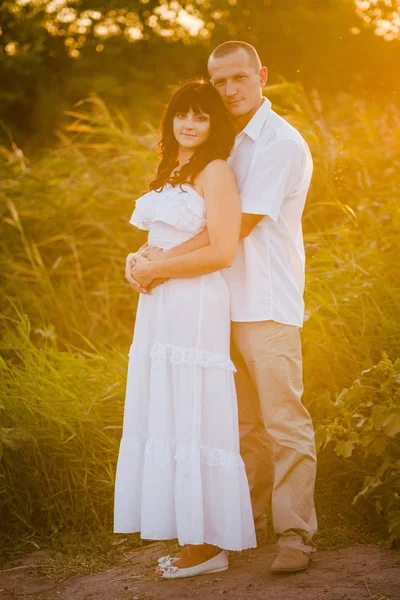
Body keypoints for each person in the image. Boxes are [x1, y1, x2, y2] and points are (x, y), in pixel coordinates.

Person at [128, 41, 318, 574]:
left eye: (239, 78)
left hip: (264, 299)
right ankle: (247, 520)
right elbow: (189, 221)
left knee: (283, 420)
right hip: (211, 302)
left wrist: (157, 264)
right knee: (238, 425)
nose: (230, 90)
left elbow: (233, 229)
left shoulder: (280, 143)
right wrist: (147, 255)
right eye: (220, 83)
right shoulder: (221, 140)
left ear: (261, 75)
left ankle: (296, 533)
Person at [114, 79, 257, 580]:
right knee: (169, 414)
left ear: (215, 123)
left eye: (201, 116)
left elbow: (221, 251)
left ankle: (208, 545)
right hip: (161, 304)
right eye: (182, 114)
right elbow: (166, 237)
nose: (190, 124)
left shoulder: (216, 171)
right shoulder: (173, 168)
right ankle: (189, 533)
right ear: (170, 120)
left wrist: (157, 269)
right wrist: (139, 260)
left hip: (195, 301)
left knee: (195, 413)